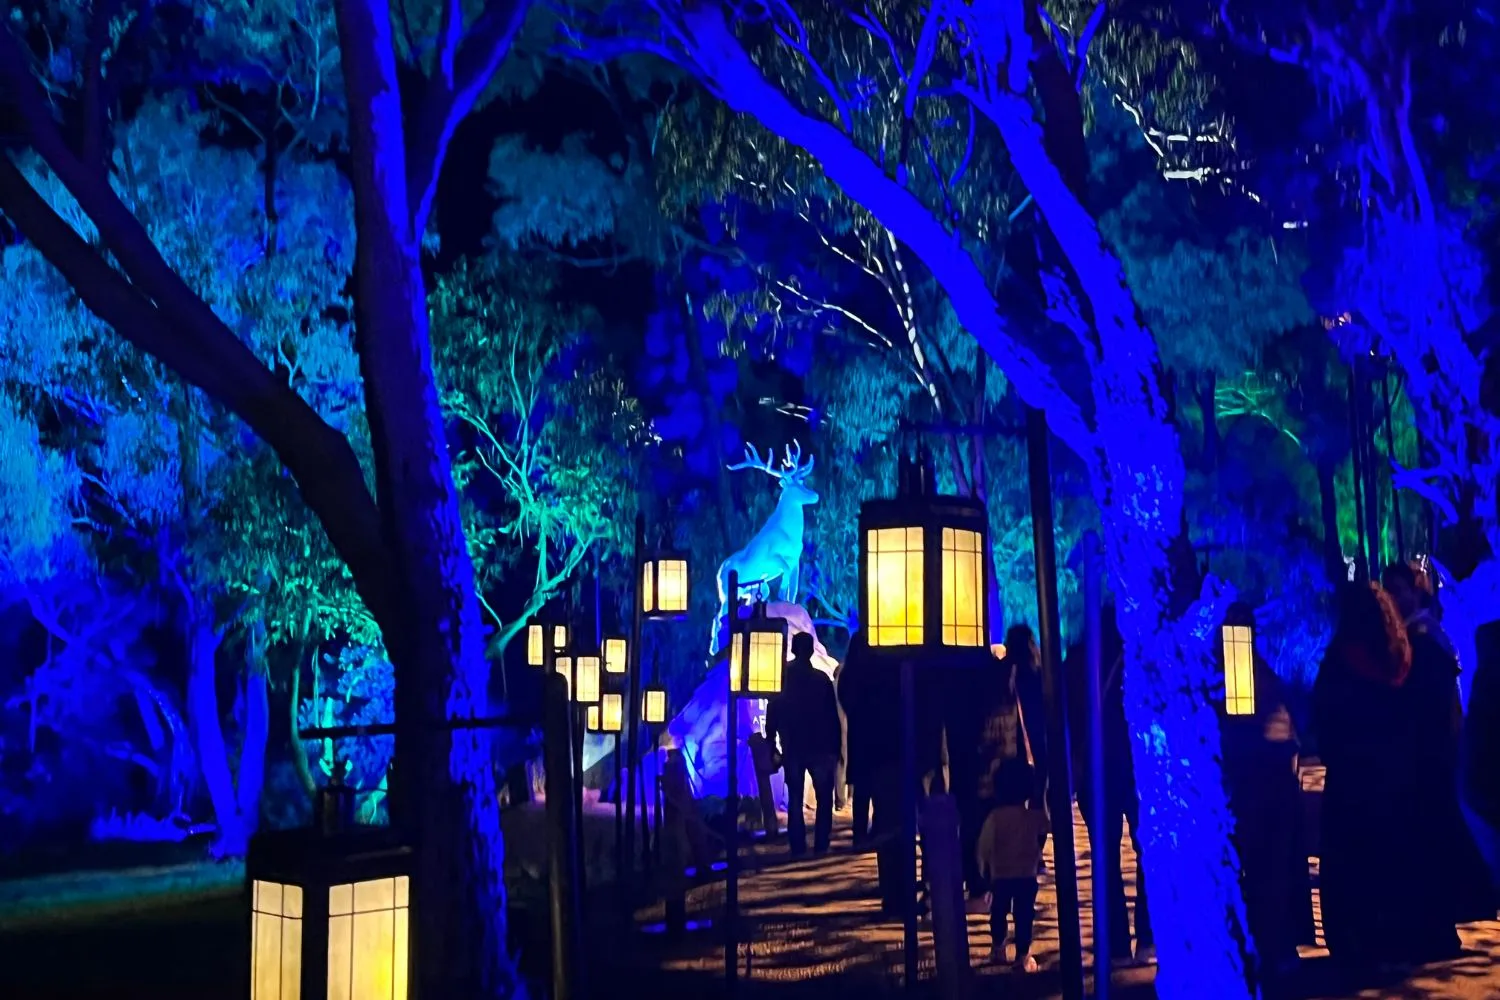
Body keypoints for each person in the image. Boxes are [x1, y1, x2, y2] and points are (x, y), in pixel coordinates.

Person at [1315, 581, 1435, 968]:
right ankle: (1394, 942)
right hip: (1396, 776)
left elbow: (1325, 719)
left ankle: (1356, 946)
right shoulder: (1402, 658)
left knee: (1353, 865)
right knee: (1391, 861)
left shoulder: (1341, 663)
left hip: (1353, 778)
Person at [1383, 562, 1493, 937]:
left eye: (1399, 590)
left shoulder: (1423, 636)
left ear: (1415, 592)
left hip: (1431, 749)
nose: (1394, 598)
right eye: (1389, 591)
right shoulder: (1419, 636)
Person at [1217, 603, 1315, 981]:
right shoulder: (1247, 665)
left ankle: (1266, 947)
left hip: (1258, 786)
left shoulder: (1240, 666)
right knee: (1268, 870)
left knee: (1264, 870)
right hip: (1264, 785)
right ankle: (1270, 948)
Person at [1063, 607, 1153, 963]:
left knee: (1105, 856)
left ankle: (1114, 942)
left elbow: (1066, 720)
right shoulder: (1139, 659)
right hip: (1137, 769)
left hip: (1096, 769)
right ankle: (1148, 936)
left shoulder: (1075, 664)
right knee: (1148, 852)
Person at [767, 631, 842, 856]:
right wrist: (836, 747)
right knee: (823, 796)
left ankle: (797, 845)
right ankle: (821, 842)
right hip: (819, 746)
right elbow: (832, 715)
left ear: (792, 650)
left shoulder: (783, 678)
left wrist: (772, 741)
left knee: (795, 797)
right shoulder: (822, 680)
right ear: (810, 651)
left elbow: (773, 711)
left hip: (793, 745)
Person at [976, 759, 1050, 972]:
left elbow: (984, 845)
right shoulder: (1031, 816)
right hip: (1026, 876)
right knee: (1024, 915)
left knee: (998, 913)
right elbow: (1047, 825)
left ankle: (998, 947)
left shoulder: (995, 817)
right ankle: (1022, 954)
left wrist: (984, 870)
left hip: (1000, 876)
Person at [837, 634, 878, 844]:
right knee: (878, 788)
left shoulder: (848, 674)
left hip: (857, 735)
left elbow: (845, 701)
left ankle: (859, 834)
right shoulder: (877, 672)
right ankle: (878, 830)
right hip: (878, 735)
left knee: (861, 790)